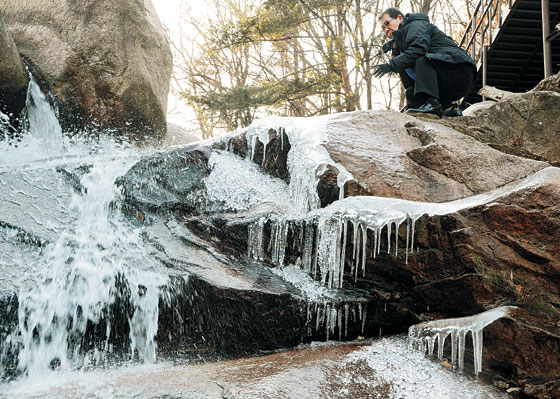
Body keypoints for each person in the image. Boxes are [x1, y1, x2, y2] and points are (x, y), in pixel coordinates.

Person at [372, 8, 476, 117]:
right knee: (409, 85)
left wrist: (390, 65)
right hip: (444, 81)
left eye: (387, 23)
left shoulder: (415, 25)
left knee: (420, 59)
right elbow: (407, 71)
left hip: (459, 71)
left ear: (399, 18)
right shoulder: (399, 45)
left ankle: (433, 104)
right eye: (383, 28)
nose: (386, 30)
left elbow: (418, 49)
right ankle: (447, 108)